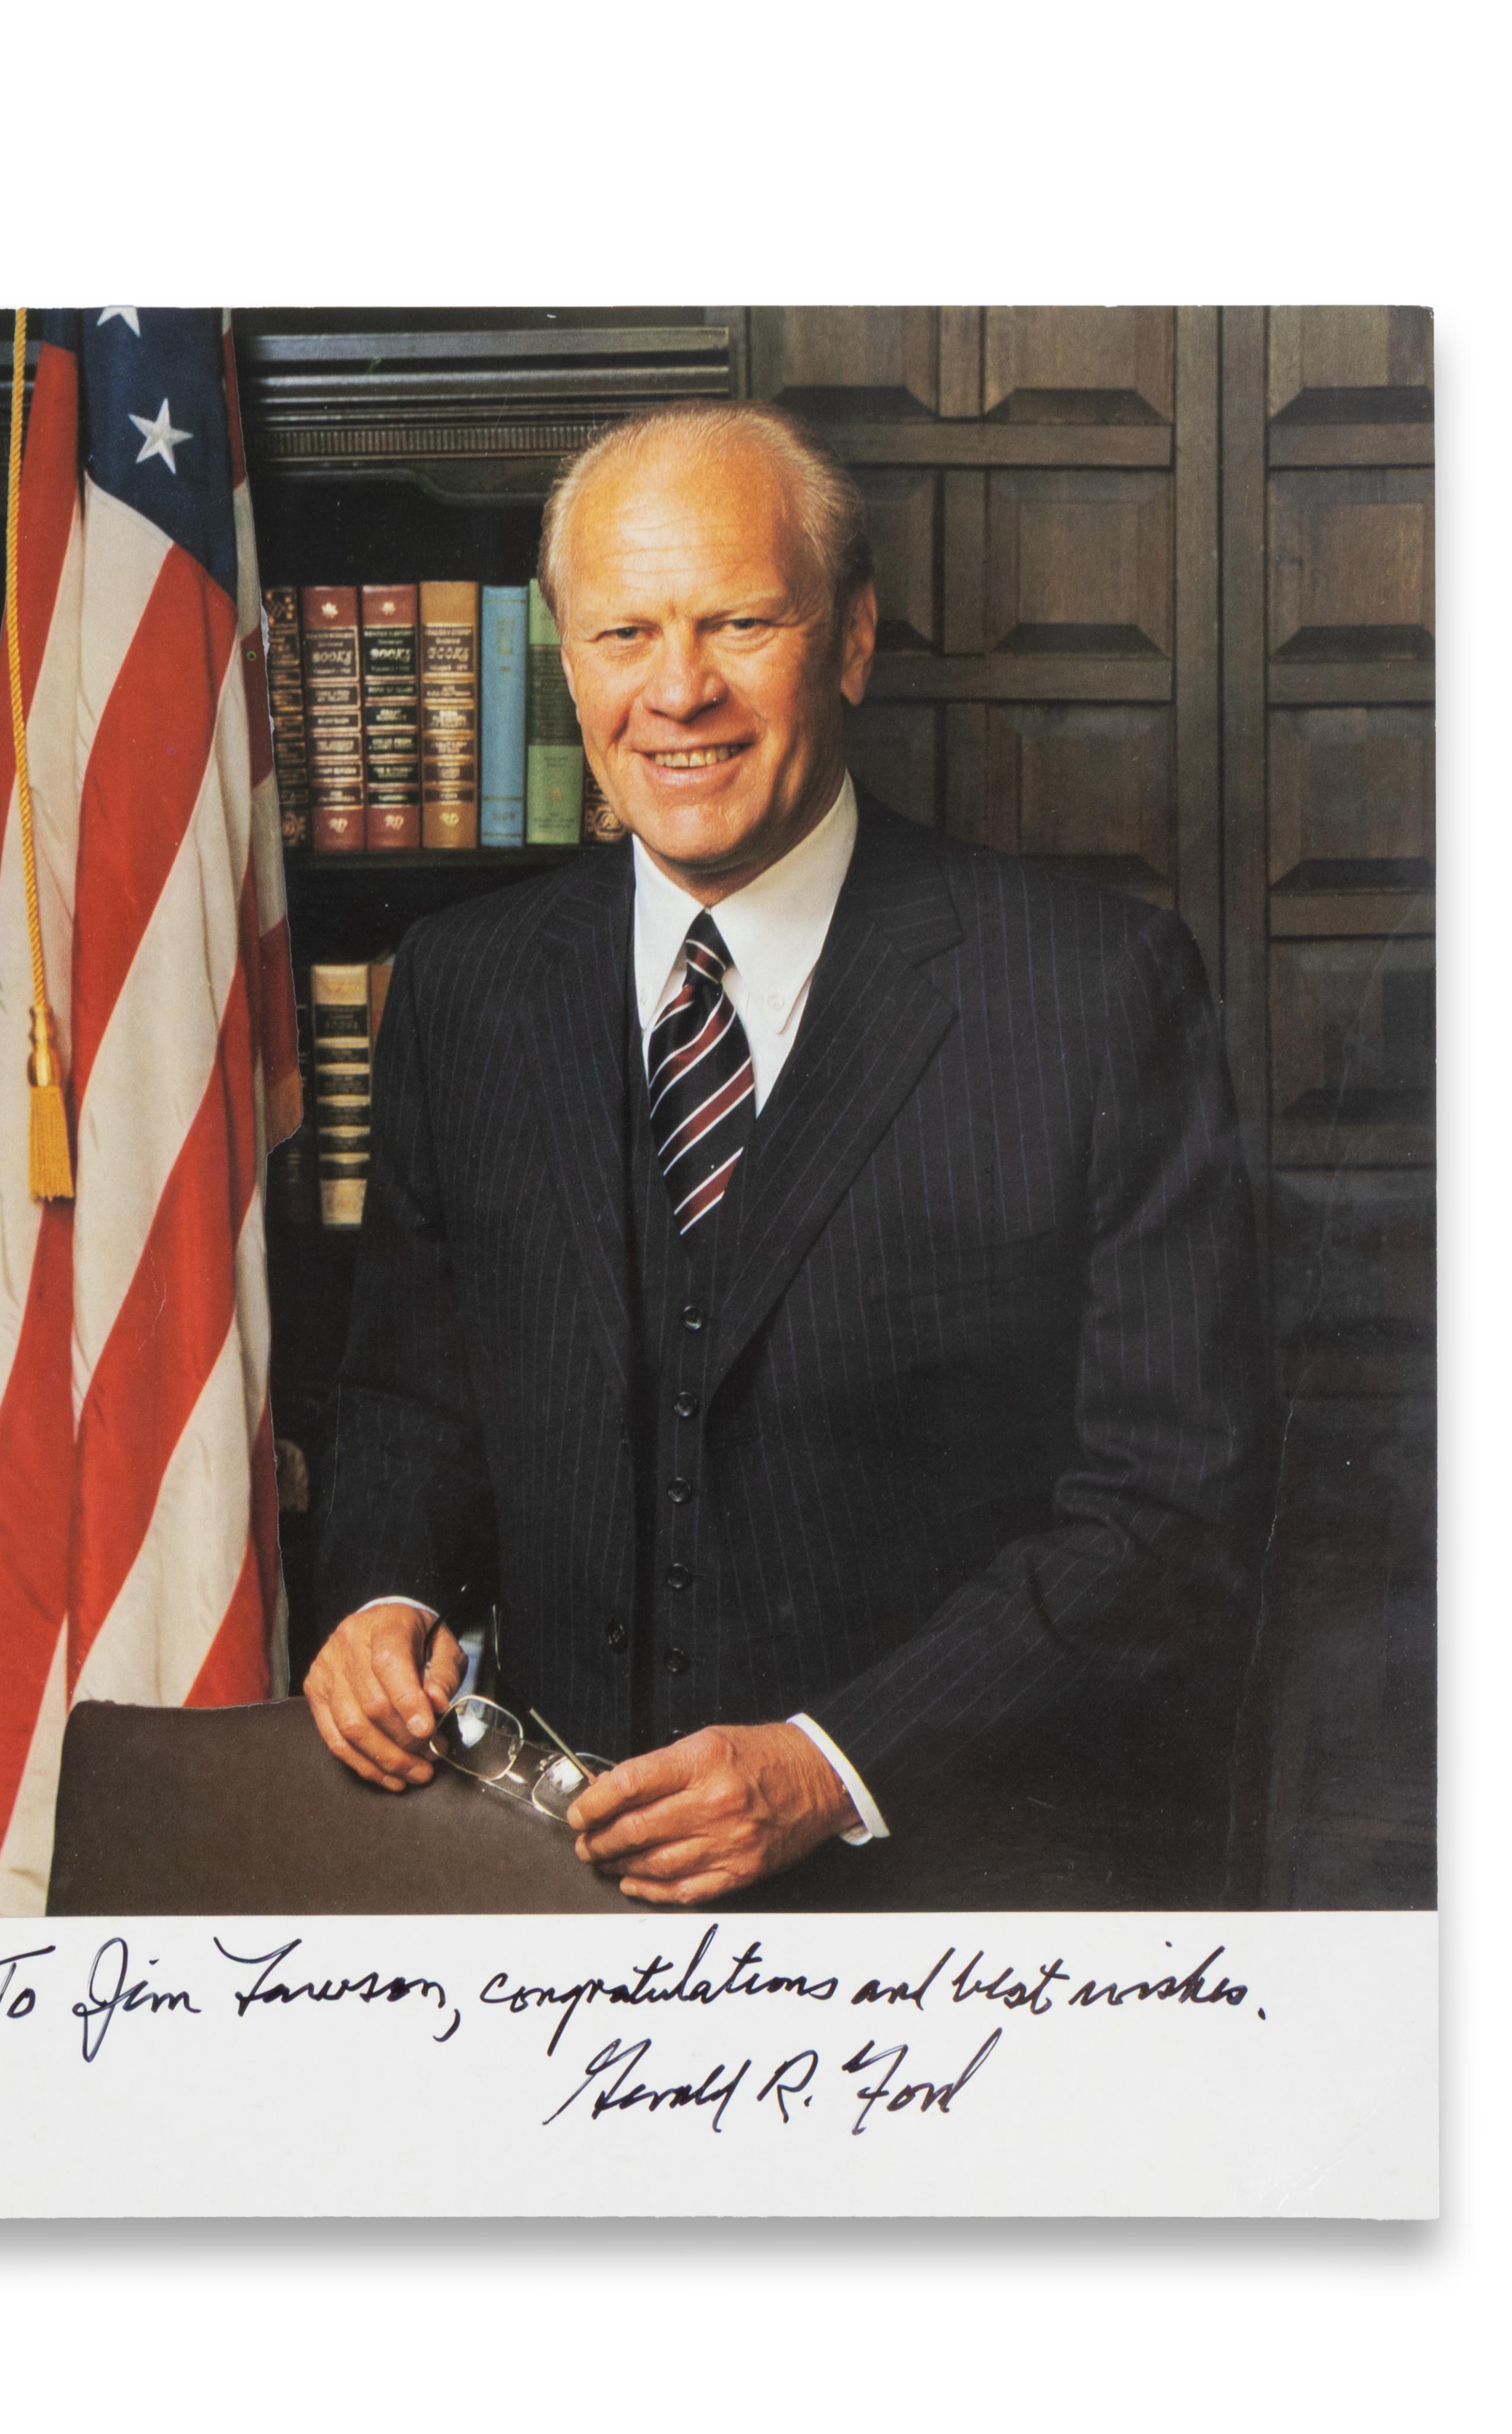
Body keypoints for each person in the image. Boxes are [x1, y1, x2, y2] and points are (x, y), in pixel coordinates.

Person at [303, 399, 1268, 1911]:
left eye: (739, 622)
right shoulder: (462, 986)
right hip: (552, 1902)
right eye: (624, 633)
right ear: (568, 663)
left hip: (947, 1903)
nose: (676, 691)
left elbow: (1173, 1508)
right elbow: (410, 1398)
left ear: (853, 640)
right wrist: (385, 1590)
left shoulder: (1090, 989)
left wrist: (836, 1763)